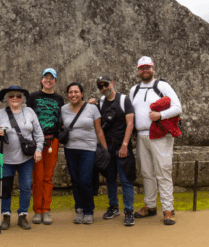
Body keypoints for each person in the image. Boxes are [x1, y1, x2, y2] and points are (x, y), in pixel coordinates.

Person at [129, 56, 182, 225]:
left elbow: (177, 107)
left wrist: (160, 115)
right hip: (142, 135)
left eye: (148, 67)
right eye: (142, 68)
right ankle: (150, 206)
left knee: (163, 171)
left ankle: (168, 209)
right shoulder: (134, 90)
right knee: (146, 173)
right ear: (138, 70)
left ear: (153, 68)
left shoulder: (162, 86)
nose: (145, 70)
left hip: (160, 135)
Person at [0, 85, 44, 230]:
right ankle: (6, 215)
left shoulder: (29, 112)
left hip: (26, 159)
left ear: (22, 98)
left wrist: (39, 149)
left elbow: (38, 133)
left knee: (25, 187)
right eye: (12, 96)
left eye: (18, 96)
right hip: (5, 159)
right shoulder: (0, 114)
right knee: (5, 188)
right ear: (7, 99)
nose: (15, 98)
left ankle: (22, 215)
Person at [89, 75, 136, 226]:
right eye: (100, 87)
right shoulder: (101, 102)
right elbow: (97, 125)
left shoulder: (124, 100)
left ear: (112, 84)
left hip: (122, 146)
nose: (104, 88)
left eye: (106, 85)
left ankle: (129, 211)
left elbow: (130, 124)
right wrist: (88, 104)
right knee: (110, 180)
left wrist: (124, 145)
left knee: (125, 180)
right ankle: (113, 207)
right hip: (107, 147)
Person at [61, 82, 107, 225]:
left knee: (85, 179)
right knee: (75, 180)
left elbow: (99, 129)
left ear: (82, 93)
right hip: (70, 148)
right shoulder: (63, 109)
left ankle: (89, 210)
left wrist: (105, 150)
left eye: (76, 92)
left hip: (88, 148)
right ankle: (79, 209)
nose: (73, 95)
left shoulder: (92, 108)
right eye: (70, 92)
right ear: (67, 94)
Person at [27, 68, 64, 225]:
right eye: (46, 77)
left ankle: (46, 210)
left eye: (52, 78)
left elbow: (62, 118)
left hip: (52, 141)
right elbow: (27, 116)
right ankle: (37, 210)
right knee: (37, 177)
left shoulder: (59, 99)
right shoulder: (33, 97)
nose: (48, 80)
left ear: (55, 81)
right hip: (36, 141)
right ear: (41, 80)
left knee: (48, 177)